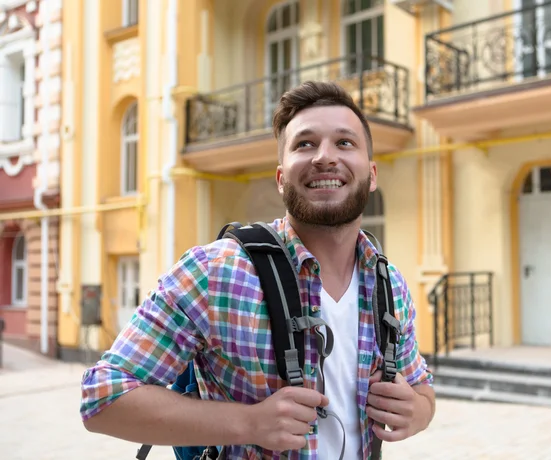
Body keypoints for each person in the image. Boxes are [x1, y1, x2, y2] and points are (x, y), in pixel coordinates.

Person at [80, 80, 435, 459]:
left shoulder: (388, 283)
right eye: (305, 144)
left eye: (344, 143)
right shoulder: (217, 271)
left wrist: (417, 412)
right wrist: (249, 423)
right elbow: (103, 396)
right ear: (282, 178)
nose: (324, 157)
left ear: (372, 173)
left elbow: (423, 390)